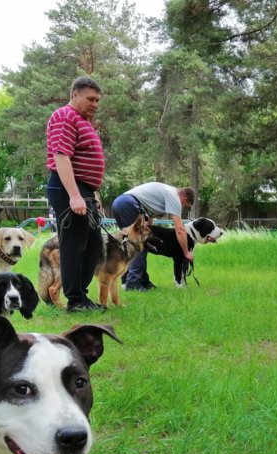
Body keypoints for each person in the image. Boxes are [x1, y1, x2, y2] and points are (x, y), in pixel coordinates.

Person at [46, 76, 106, 313]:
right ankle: (75, 300)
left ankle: (81, 296)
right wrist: (74, 195)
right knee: (74, 245)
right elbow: (61, 156)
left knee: (92, 246)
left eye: (98, 100)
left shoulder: (82, 121)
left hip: (84, 190)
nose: (95, 104)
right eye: (90, 99)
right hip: (67, 188)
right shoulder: (65, 116)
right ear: (74, 95)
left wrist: (93, 194)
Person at [112, 183, 195, 291]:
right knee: (140, 244)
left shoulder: (168, 190)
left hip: (120, 203)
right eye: (185, 204)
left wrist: (147, 222)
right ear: (184, 197)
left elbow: (148, 208)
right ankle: (133, 284)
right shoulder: (174, 197)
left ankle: (141, 281)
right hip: (129, 204)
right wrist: (186, 252)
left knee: (130, 244)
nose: (183, 206)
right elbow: (179, 230)